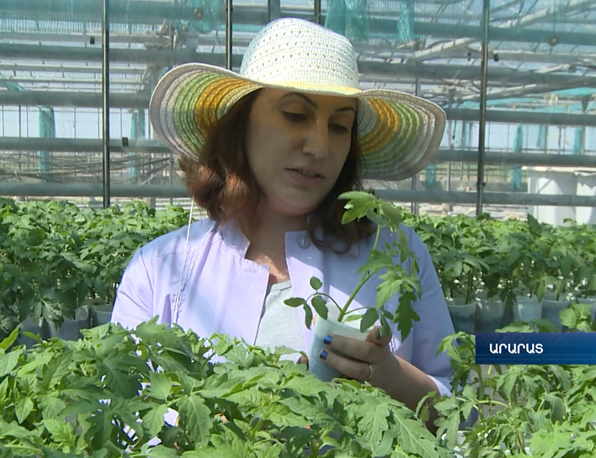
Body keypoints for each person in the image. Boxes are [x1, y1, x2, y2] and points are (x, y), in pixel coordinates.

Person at [111, 17, 455, 429]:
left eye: (339, 125)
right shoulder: (158, 272)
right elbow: (117, 420)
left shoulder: (398, 255)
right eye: (295, 114)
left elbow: (456, 415)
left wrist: (394, 378)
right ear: (241, 122)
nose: (319, 146)